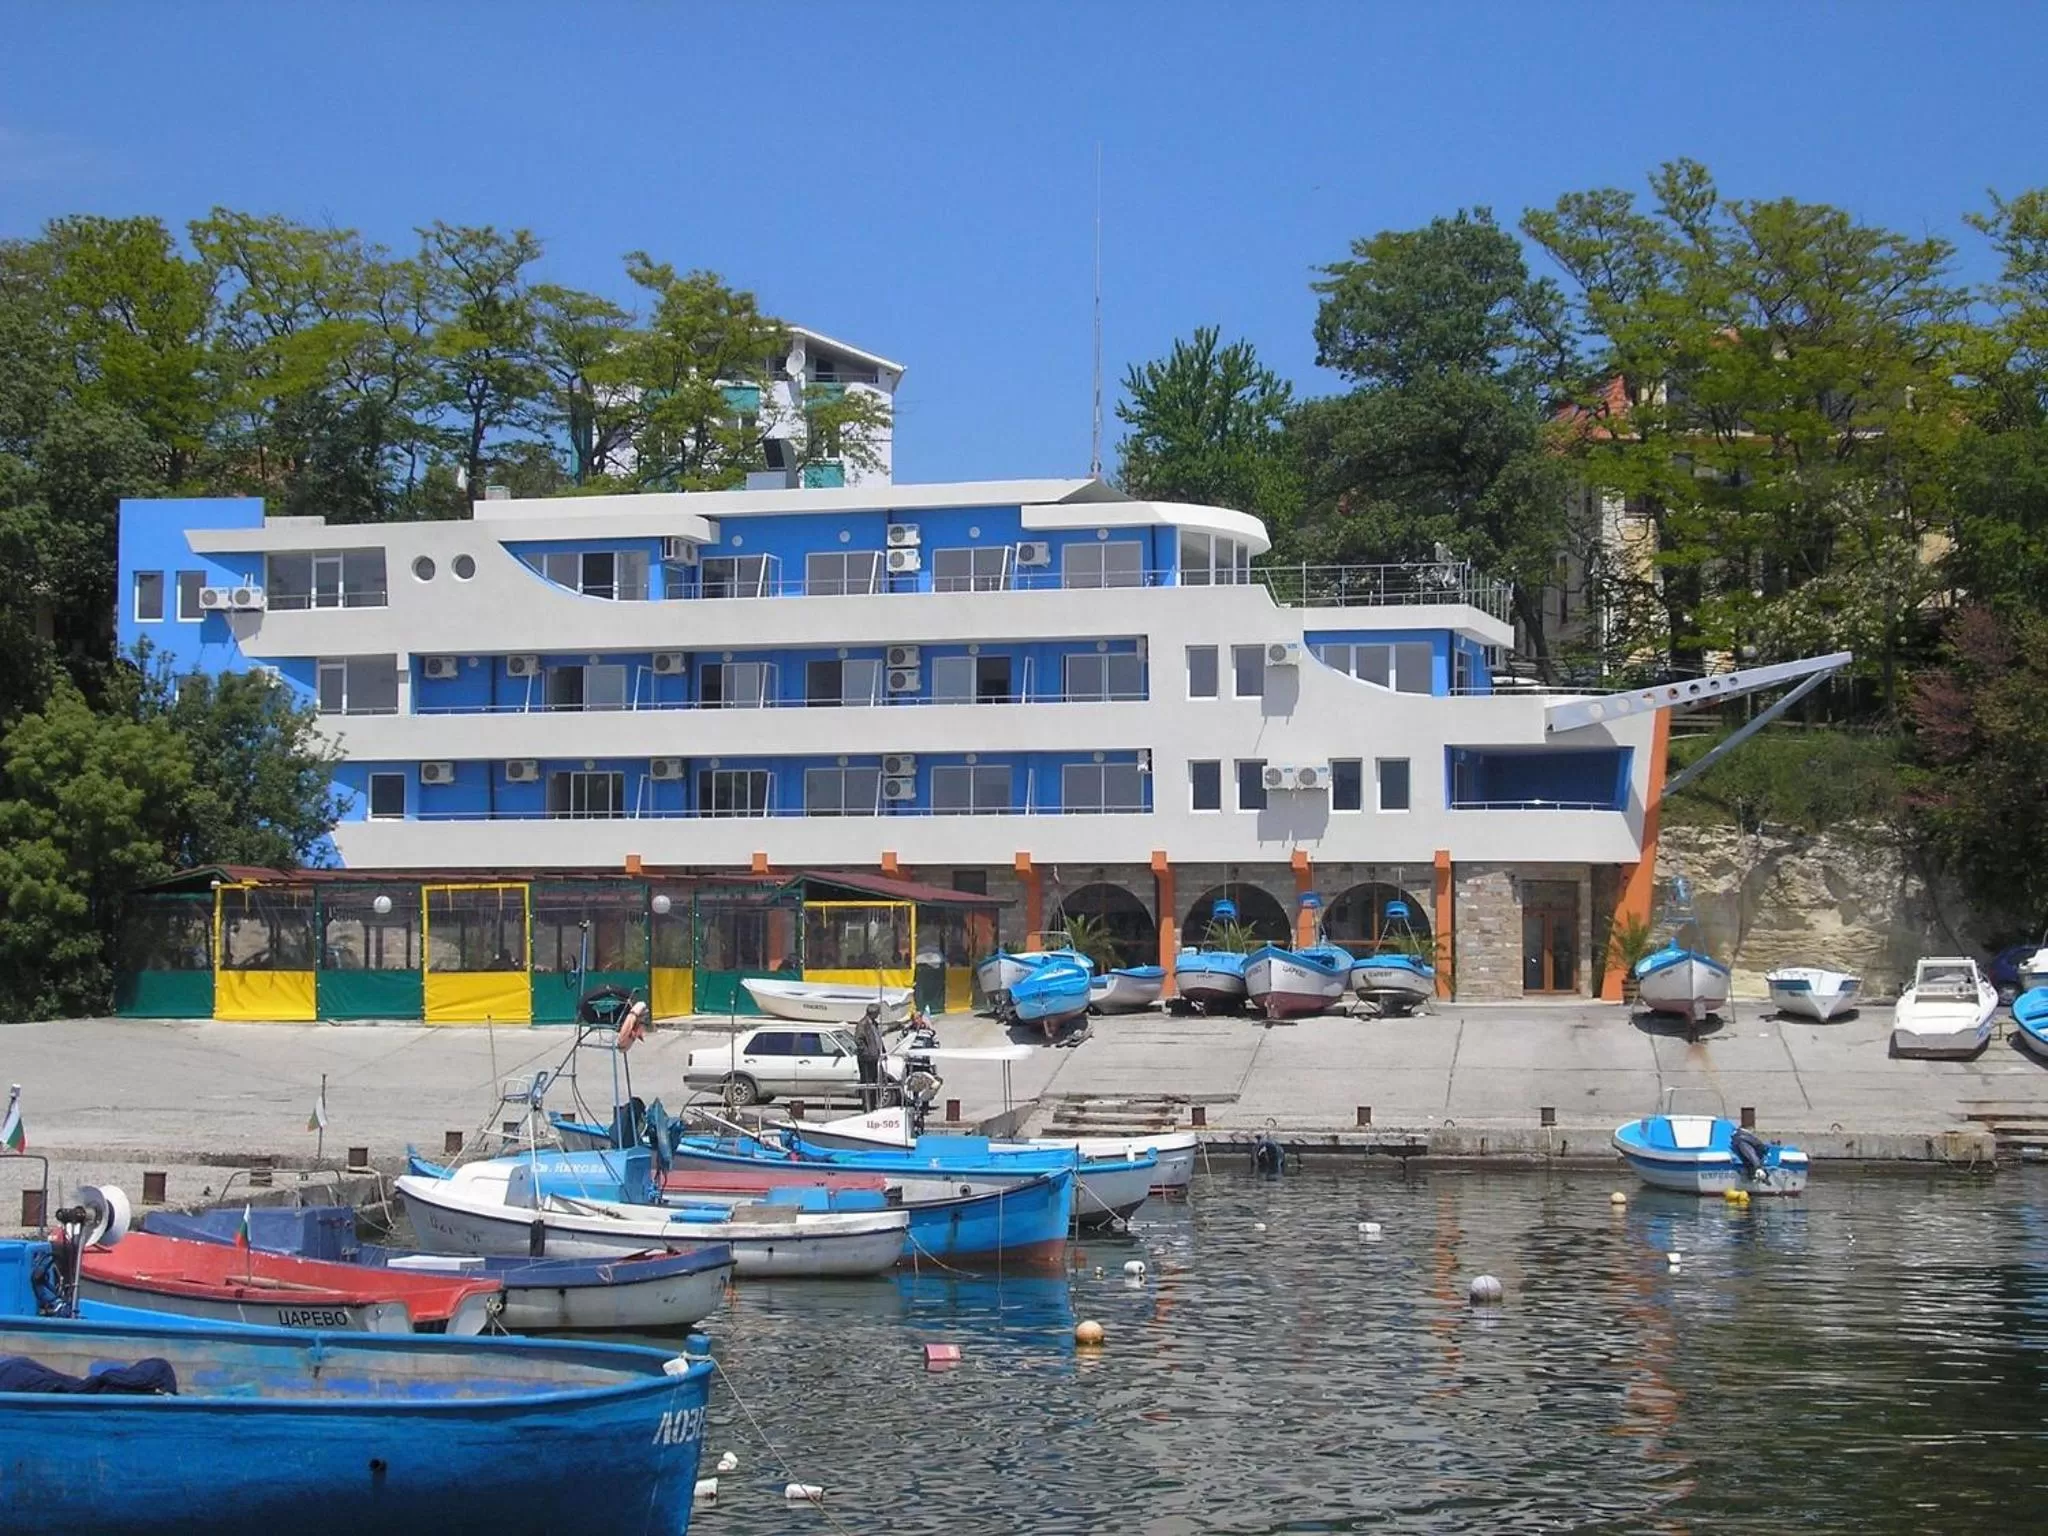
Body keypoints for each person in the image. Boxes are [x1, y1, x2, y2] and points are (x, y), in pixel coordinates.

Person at [855, 1004, 887, 1111]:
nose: (878, 1015)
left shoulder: (874, 1024)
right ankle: (867, 1109)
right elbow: (858, 1040)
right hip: (866, 1060)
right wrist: (867, 1053)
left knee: (875, 1084)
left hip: (875, 1059)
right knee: (867, 1085)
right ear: (873, 1013)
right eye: (878, 1013)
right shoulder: (863, 1024)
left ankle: (873, 1107)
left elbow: (879, 1038)